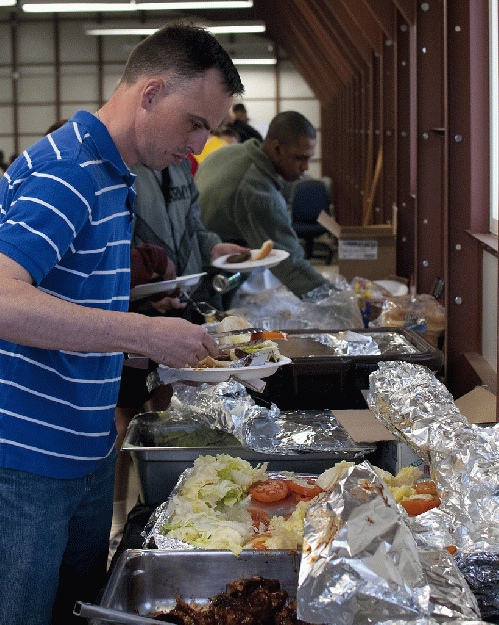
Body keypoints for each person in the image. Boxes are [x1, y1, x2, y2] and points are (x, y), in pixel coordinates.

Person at [0, 22, 243, 625]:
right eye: (193, 123)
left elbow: (68, 300)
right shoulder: (70, 170)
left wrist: (127, 339)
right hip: (26, 461)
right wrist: (141, 333)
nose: (194, 147)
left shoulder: (117, 175)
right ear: (152, 92)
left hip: (85, 448)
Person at [109, 158, 249, 549]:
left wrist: (213, 247)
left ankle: (166, 508)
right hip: (133, 313)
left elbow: (194, 229)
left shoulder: (181, 169)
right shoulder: (126, 167)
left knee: (169, 407)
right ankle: (116, 521)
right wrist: (148, 283)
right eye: (195, 126)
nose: (197, 143)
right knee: (125, 415)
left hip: (180, 301)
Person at [196, 111, 332, 298]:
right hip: (209, 279)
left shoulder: (227, 152)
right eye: (300, 158)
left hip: (194, 256)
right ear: (277, 149)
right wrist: (340, 301)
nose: (306, 167)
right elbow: (292, 267)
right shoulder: (257, 193)